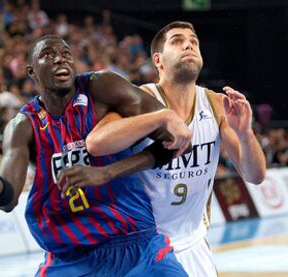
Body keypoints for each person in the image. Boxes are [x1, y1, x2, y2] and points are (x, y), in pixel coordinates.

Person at [0, 34, 192, 276]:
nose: (60, 59)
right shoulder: (23, 126)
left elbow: (175, 138)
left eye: (66, 54)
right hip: (70, 258)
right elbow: (7, 199)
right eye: (48, 55)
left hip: (135, 243)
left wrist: (107, 173)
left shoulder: (101, 87)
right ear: (31, 71)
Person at [58, 21, 266, 277]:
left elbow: (255, 176)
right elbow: (97, 143)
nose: (188, 44)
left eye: (193, 41)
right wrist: (161, 118)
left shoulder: (215, 103)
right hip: (144, 248)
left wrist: (245, 133)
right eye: (177, 41)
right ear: (158, 60)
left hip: (193, 243)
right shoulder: (137, 99)